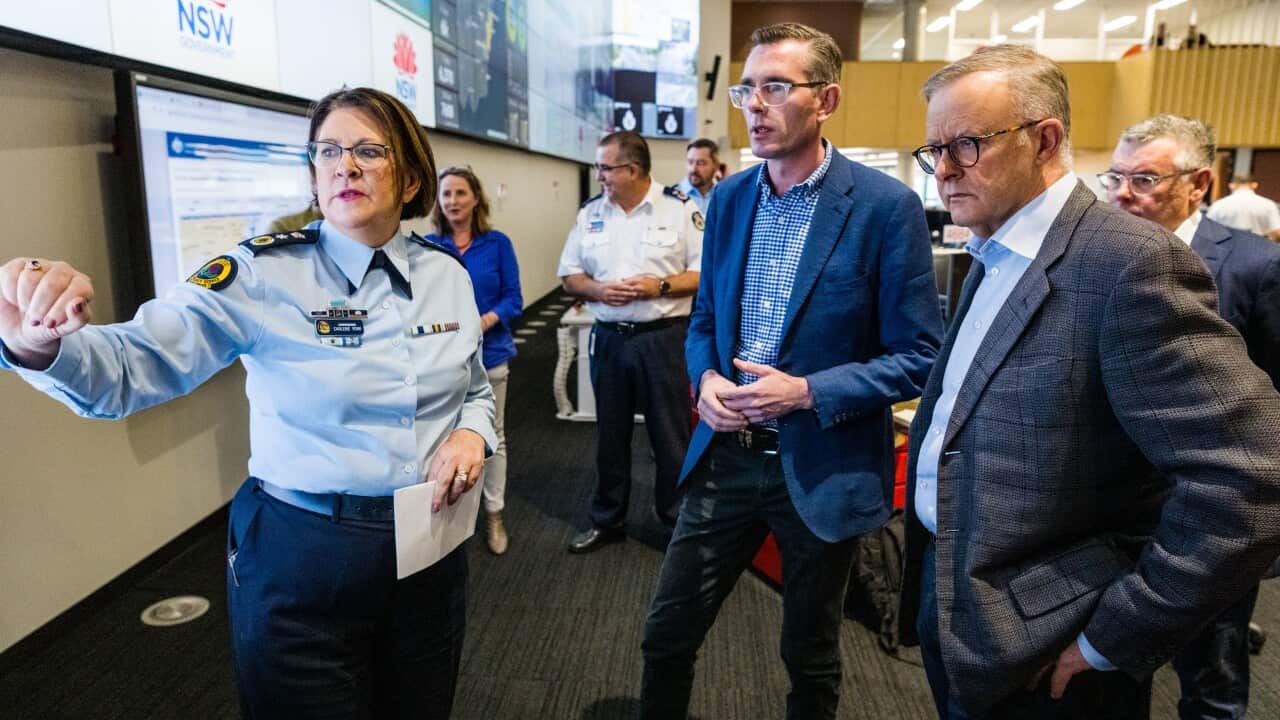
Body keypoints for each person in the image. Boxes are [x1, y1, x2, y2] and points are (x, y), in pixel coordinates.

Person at [0, 87, 497, 719]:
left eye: (370, 150)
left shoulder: (445, 275)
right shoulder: (262, 275)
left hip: (429, 551)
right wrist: (37, 345)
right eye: (329, 151)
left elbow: (474, 388)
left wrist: (472, 435)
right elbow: (135, 363)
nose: (345, 164)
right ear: (313, 178)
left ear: (410, 179)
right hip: (303, 556)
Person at [899, 45, 1280, 719]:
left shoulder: (1129, 262)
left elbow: (1254, 476)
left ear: (1045, 139)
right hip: (963, 600)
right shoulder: (994, 247)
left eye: (966, 144)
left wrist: (1114, 636)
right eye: (935, 150)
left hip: (1053, 643)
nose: (944, 172)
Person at [640, 23, 942, 720]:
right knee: (666, 634)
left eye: (777, 86)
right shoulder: (731, 198)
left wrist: (808, 391)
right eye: (748, 88)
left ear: (826, 99)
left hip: (820, 463)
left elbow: (921, 356)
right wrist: (706, 381)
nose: (755, 103)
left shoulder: (883, 207)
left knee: (809, 654)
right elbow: (707, 322)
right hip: (727, 457)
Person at [1104, 114, 1280, 720]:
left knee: (1212, 680)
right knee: (1113, 673)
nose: (1122, 193)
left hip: (1208, 518)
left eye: (1144, 179)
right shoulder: (1100, 256)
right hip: (1110, 514)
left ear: (1198, 183)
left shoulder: (1255, 266)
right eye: (1115, 177)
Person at [557, 130, 703, 553]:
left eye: (605, 167)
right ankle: (607, 520)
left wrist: (656, 286)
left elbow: (702, 273)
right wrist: (598, 291)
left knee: (670, 435)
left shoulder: (679, 208)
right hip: (610, 340)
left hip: (663, 339)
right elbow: (569, 275)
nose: (599, 174)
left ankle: (675, 522)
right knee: (610, 437)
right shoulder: (590, 213)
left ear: (632, 169)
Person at [428, 165, 523, 556]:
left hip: (492, 354)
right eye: (446, 194)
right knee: (442, 442)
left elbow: (513, 298)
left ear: (476, 199)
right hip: (442, 362)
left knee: (492, 438)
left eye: (460, 193)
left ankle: (494, 514)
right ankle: (447, 521)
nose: (453, 201)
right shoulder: (428, 246)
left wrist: (483, 321)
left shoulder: (497, 243)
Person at [1207, 174, 1280, 241]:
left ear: (1231, 185)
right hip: (1258, 249)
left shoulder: (1218, 205)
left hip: (1226, 250)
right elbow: (1277, 234)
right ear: (1254, 185)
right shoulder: (1268, 205)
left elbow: (1207, 230)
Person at [675, 138, 720, 213]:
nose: (693, 169)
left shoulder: (722, 196)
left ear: (716, 165)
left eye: (701, 163)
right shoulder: (673, 197)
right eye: (690, 162)